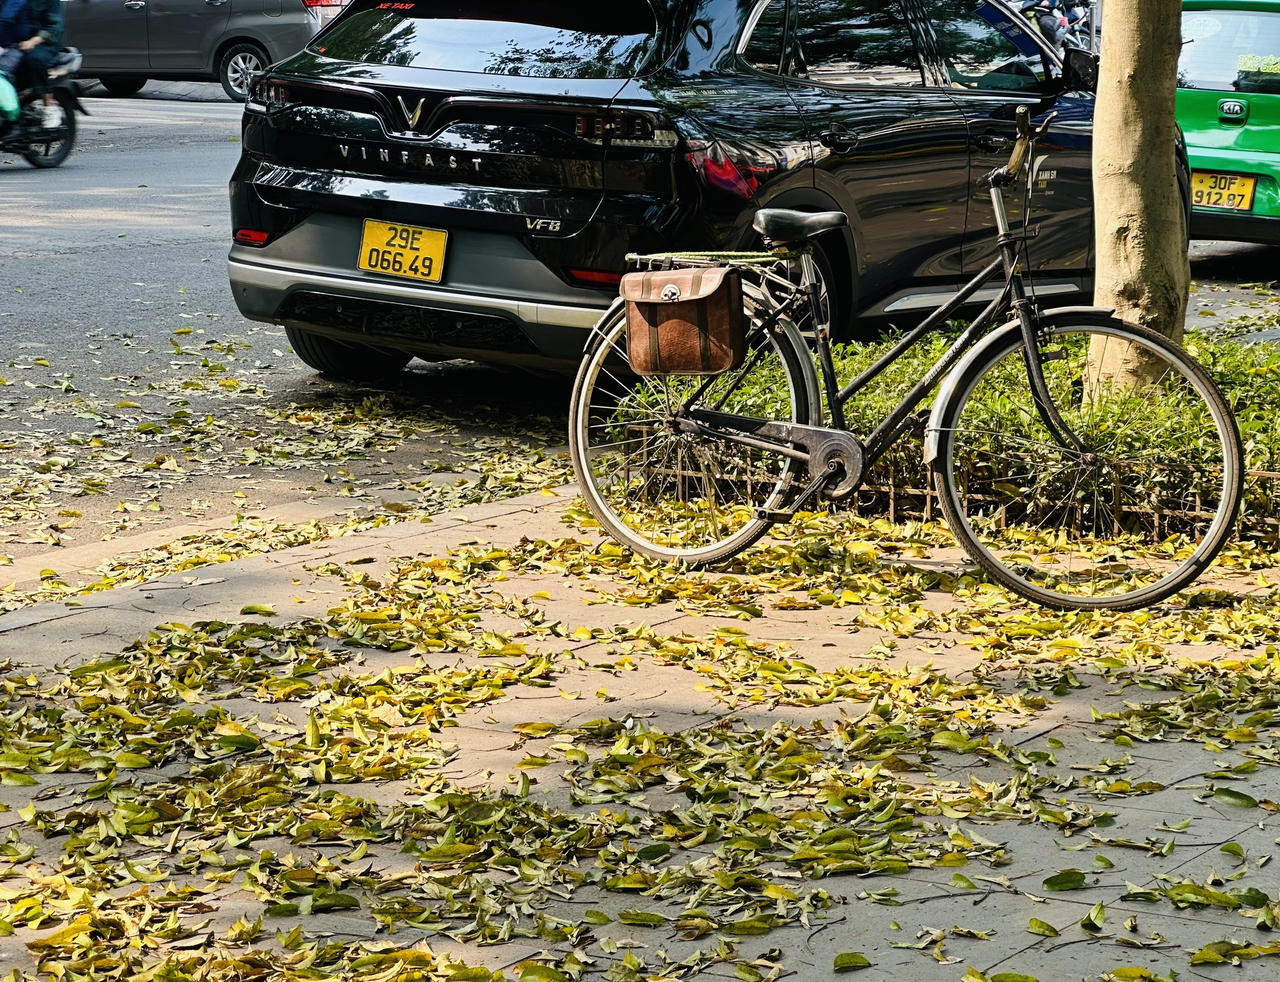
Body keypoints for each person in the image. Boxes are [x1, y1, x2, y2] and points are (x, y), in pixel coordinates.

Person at [9, 0, 60, 127]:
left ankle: (49, 106)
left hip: (44, 44)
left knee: (35, 59)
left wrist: (34, 41)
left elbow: (54, 27)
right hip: (17, 42)